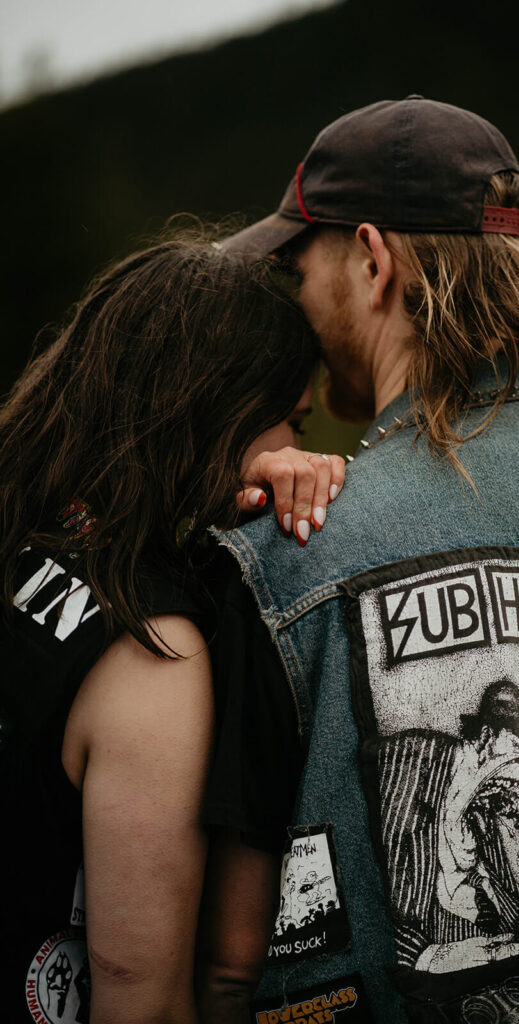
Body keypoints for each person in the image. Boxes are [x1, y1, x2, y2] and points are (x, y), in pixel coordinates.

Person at [202, 97, 519, 1023]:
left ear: (372, 260)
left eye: (300, 266)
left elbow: (228, 961)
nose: (295, 303)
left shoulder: (292, 552)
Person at [0, 229, 346, 1024]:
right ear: (220, 409)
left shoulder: (21, 528)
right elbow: (142, 995)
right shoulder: (150, 647)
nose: (300, 449)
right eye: (292, 423)